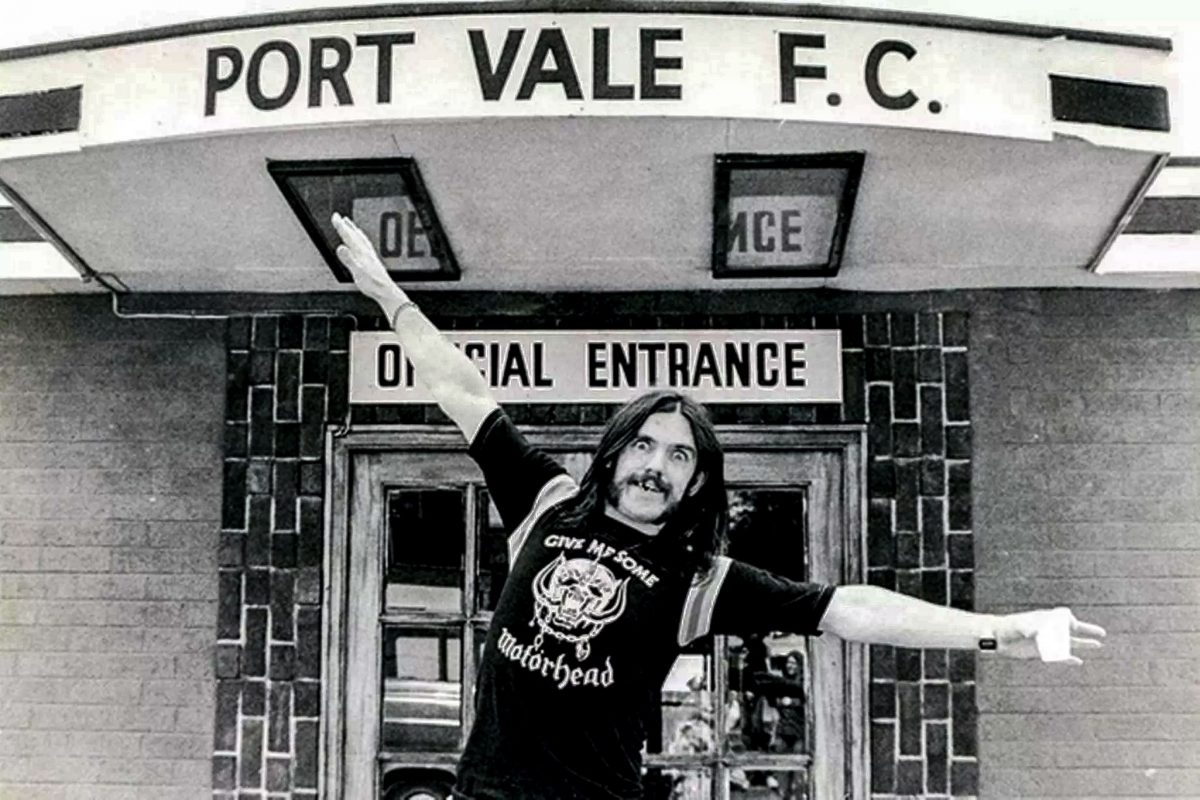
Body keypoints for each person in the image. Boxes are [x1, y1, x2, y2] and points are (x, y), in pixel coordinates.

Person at [331, 213, 1106, 800]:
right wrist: (386, 292)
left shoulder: (696, 578)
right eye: (646, 445)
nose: (657, 466)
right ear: (615, 451)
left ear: (696, 484)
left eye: (680, 457)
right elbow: (462, 389)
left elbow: (846, 609)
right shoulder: (548, 503)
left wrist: (1000, 633)